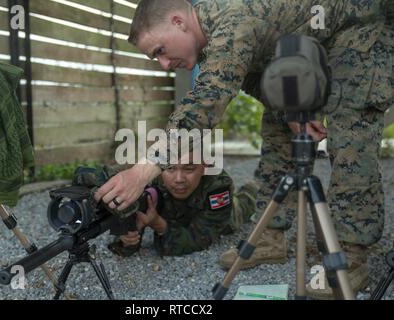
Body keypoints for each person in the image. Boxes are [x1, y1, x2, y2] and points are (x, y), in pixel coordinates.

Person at [94, 0, 392, 299]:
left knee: (351, 133)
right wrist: (291, 109)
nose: (163, 64)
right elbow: (260, 79)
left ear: (178, 22)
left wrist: (141, 172)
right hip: (304, 44)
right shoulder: (213, 41)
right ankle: (270, 235)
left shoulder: (232, 19)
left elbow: (207, 102)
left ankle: (350, 254)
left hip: (359, 26)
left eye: (159, 51)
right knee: (278, 125)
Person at [75, 163, 256, 257]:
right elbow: (90, 175)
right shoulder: (149, 175)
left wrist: (158, 224)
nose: (178, 178)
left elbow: (199, 239)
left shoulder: (218, 185)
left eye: (189, 168)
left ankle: (252, 188)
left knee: (246, 203)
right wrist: (127, 238)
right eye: (170, 168)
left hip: (222, 217)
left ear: (205, 166)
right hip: (171, 213)